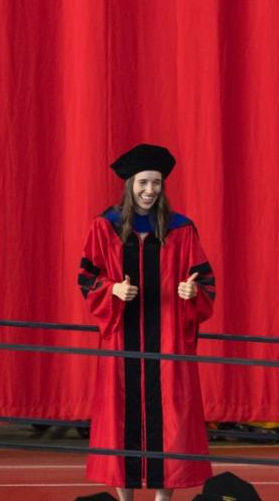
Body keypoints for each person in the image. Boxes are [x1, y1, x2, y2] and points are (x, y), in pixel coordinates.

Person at [78, 144, 215, 501]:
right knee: (121, 421)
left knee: (167, 424)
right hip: (122, 343)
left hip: (168, 343)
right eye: (143, 182)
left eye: (155, 183)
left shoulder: (181, 229)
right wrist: (111, 290)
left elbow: (206, 281)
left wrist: (191, 292)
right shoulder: (104, 227)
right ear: (129, 185)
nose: (149, 190)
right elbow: (86, 277)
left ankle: (162, 499)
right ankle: (125, 499)